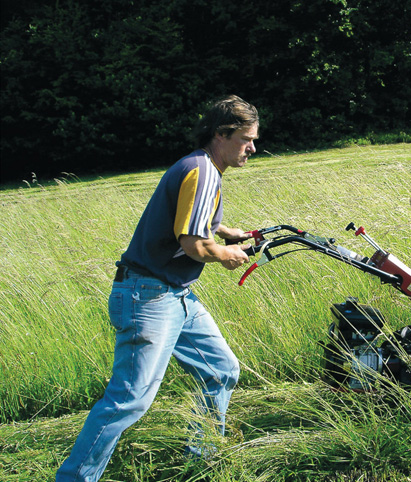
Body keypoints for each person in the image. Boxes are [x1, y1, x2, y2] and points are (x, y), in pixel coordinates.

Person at [56, 95, 259, 481]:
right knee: (129, 400)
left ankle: (201, 459)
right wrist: (225, 253)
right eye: (246, 139)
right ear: (222, 134)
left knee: (220, 370)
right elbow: (194, 245)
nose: (252, 147)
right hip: (148, 297)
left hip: (174, 294)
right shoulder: (201, 171)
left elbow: (191, 220)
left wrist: (223, 229)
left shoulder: (202, 168)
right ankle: (74, 478)